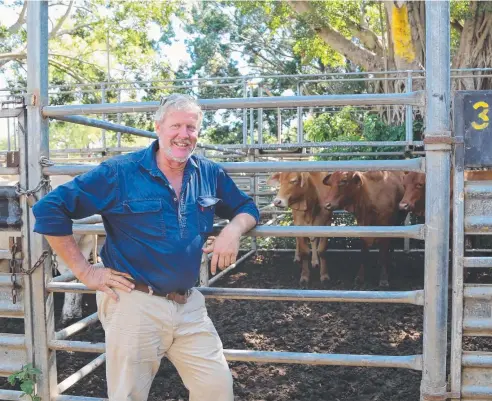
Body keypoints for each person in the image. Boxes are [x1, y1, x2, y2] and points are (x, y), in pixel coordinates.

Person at [32, 94, 260, 401]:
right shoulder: (120, 172)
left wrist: (233, 229)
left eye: (191, 127)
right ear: (158, 128)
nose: (184, 134)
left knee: (216, 389)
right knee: (129, 395)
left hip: (188, 304)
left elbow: (246, 206)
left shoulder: (208, 173)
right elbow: (50, 208)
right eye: (176, 125)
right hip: (134, 302)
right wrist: (85, 272)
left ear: (198, 132)